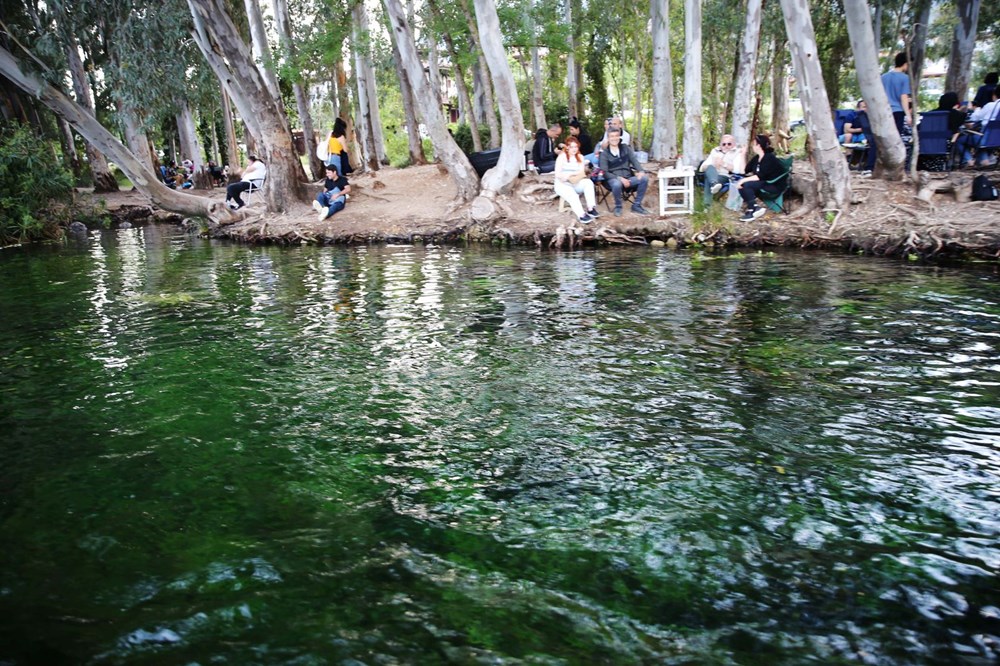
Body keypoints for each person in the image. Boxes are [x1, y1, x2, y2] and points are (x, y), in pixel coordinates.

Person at [598, 127, 651, 216]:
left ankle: (636, 205)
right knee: (616, 184)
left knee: (644, 178)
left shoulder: (625, 148)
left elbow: (634, 161)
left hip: (628, 177)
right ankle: (618, 206)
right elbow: (605, 172)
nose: (614, 138)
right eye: (612, 136)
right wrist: (620, 179)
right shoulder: (604, 154)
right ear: (608, 138)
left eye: (616, 136)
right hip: (613, 179)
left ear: (619, 137)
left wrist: (641, 171)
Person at [735, 134, 786, 221]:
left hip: (774, 184)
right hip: (764, 183)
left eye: (754, 144)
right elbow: (745, 170)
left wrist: (743, 180)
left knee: (746, 184)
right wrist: (743, 154)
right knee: (743, 184)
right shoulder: (756, 158)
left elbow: (760, 176)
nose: (752, 146)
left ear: (759, 145)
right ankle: (753, 209)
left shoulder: (769, 158)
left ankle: (754, 208)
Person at [554, 137, 599, 224]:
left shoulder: (580, 157)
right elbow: (558, 174)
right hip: (562, 184)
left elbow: (581, 171)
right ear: (567, 147)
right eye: (571, 147)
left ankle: (591, 208)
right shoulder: (562, 157)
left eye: (576, 147)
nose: (574, 149)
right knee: (573, 195)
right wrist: (568, 176)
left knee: (588, 183)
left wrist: (569, 175)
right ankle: (581, 215)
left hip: (575, 181)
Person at [698, 134, 745, 207]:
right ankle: (714, 184)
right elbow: (702, 167)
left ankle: (707, 205)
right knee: (709, 168)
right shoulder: (715, 151)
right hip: (712, 172)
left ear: (734, 144)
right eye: (724, 144)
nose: (726, 146)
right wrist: (713, 164)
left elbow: (737, 170)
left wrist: (723, 164)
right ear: (720, 144)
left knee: (708, 179)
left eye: (729, 144)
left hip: (724, 175)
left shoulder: (736, 153)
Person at [882, 52, 912, 137]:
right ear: (905, 64)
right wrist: (908, 115)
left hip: (885, 111)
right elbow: (904, 97)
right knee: (896, 137)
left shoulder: (884, 77)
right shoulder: (905, 78)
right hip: (897, 111)